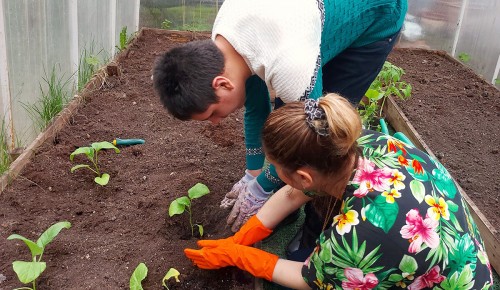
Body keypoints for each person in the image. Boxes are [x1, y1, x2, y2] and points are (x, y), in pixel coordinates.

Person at [184, 93, 494, 289]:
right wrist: (243, 236)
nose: (272, 170)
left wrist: (240, 256)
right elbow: (295, 193)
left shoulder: (357, 235)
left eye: (274, 165)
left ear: (304, 176)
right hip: (459, 253)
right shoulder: (363, 144)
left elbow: (309, 278)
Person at [153, 0, 408, 232]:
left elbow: (308, 139)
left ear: (222, 84)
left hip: (374, 15)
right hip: (306, 25)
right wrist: (252, 174)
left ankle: (316, 227)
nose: (216, 121)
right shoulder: (224, 43)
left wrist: (263, 186)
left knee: (326, 135)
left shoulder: (291, 69)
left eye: (212, 113)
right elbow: (255, 105)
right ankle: (282, 198)